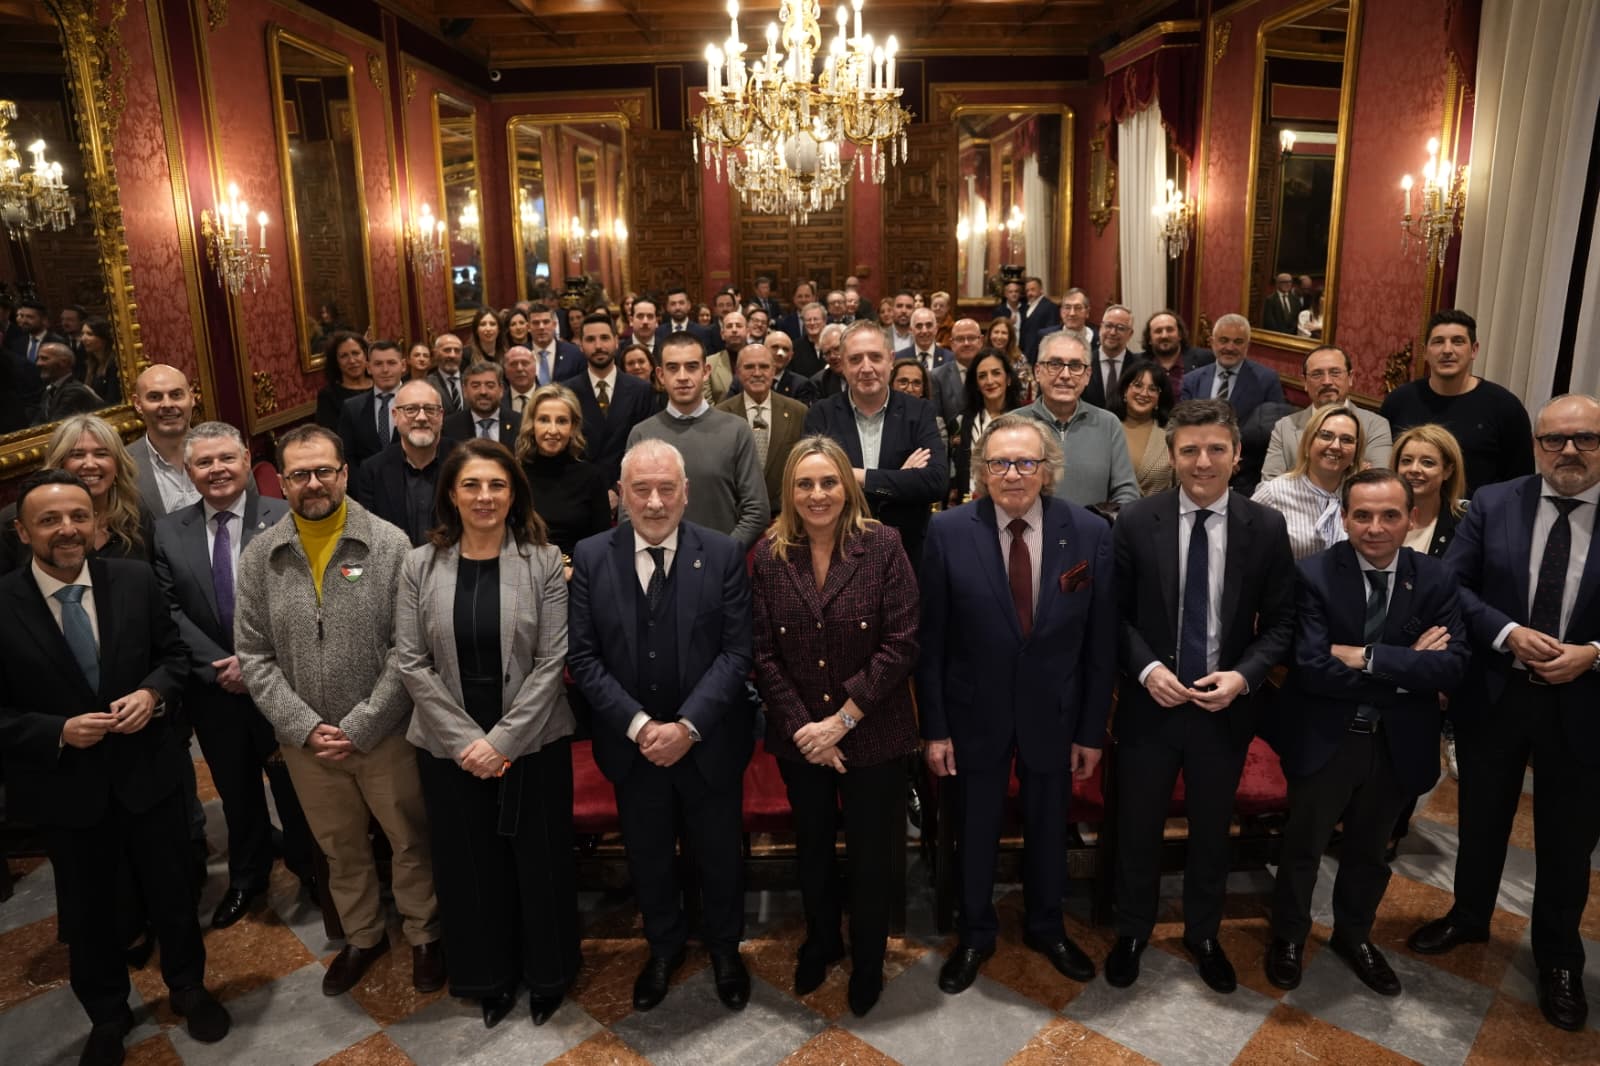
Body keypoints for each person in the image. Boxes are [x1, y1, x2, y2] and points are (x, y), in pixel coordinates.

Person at [0, 469, 232, 1064]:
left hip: (147, 775)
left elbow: (173, 657)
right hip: (66, 792)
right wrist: (56, 731)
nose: (67, 529)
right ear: (23, 532)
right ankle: (107, 1014)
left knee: (173, 893)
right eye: (49, 520)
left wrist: (154, 695)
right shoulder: (3, 607)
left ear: (98, 523)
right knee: (88, 910)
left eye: (79, 516)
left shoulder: (132, 581)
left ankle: (188, 987)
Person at [1406, 394, 1600, 1032]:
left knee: (1568, 839)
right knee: (1482, 817)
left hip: (1584, 701)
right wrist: (1508, 632)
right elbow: (1454, 587)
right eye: (1554, 440)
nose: (1568, 451)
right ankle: (1468, 916)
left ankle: (1559, 957)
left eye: (1585, 439)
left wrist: (1593, 654)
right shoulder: (1494, 502)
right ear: (1537, 444)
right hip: (1497, 692)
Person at [236, 424, 444, 999]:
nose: (313, 483)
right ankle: (363, 936)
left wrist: (361, 724)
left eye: (324, 470)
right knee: (340, 848)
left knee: (409, 839)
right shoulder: (261, 556)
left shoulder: (389, 543)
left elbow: (410, 648)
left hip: (386, 733)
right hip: (308, 745)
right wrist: (304, 727)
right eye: (299, 474)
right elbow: (253, 656)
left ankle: (425, 934)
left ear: (345, 473)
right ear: (281, 481)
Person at [919, 414, 1116, 994]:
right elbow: (929, 643)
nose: (1013, 474)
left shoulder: (1088, 533)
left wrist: (1090, 731)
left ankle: (1047, 927)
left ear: (1048, 470)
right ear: (981, 471)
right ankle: (975, 933)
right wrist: (934, 728)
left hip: (1055, 714)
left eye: (1026, 462)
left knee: (1050, 827)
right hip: (972, 714)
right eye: (1000, 463)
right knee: (974, 829)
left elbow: (1099, 645)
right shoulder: (949, 532)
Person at [1106, 399, 1296, 993]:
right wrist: (1144, 670)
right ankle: (1133, 929)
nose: (1203, 461)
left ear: (1238, 456)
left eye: (1216, 448)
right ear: (1172, 455)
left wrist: (1244, 676)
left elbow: (1285, 623)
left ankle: (1203, 933)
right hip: (1150, 706)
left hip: (1224, 707)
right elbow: (1112, 616)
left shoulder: (1263, 527)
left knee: (1213, 831)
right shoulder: (1138, 522)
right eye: (1189, 449)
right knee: (1137, 826)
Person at [566, 439, 755, 1014]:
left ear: (685, 492)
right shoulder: (593, 555)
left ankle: (725, 949)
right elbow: (583, 658)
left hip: (709, 743)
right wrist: (644, 726)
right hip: (633, 748)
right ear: (619, 494)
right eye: (640, 489)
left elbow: (737, 653)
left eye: (665, 488)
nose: (653, 502)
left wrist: (687, 727)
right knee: (648, 855)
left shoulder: (722, 553)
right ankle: (664, 949)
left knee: (720, 854)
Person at [396, 439, 579, 1029]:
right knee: (470, 867)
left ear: (514, 494)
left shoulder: (544, 561)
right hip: (449, 744)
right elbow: (411, 661)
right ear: (451, 493)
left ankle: (548, 975)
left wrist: (501, 742)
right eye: (471, 485)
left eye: (497, 485)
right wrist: (465, 743)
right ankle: (488, 977)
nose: (484, 496)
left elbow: (553, 662)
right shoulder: (419, 564)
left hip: (533, 739)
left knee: (541, 863)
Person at [1264, 469, 1468, 996]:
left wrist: (1366, 657)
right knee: (1303, 847)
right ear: (1344, 518)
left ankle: (1354, 936)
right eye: (1362, 515)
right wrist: (1405, 671)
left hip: (1398, 743)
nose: (1375, 528)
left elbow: (1451, 668)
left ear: (1412, 518)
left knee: (1371, 852)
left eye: (1390, 515)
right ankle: (1288, 935)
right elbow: (1310, 666)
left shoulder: (1438, 579)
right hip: (1327, 739)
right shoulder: (1312, 576)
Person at [750, 436, 919, 1017]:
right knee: (814, 849)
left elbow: (902, 644)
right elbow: (763, 654)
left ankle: (867, 961)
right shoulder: (769, 554)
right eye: (805, 484)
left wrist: (841, 721)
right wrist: (807, 730)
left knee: (873, 856)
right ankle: (822, 942)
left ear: (847, 487)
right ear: (789, 492)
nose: (817, 494)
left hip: (872, 733)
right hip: (803, 742)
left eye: (828, 482)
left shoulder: (884, 546)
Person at [151, 422, 312, 928]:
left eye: (226, 458)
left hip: (284, 682)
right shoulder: (167, 531)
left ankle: (314, 871)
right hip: (214, 688)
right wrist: (222, 665)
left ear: (246, 461)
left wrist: (255, 662)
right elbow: (168, 608)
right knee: (235, 790)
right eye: (204, 462)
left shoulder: (287, 517)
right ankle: (248, 876)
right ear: (188, 470)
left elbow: (305, 596)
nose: (217, 470)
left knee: (296, 786)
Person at [803, 320, 948, 568]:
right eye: (856, 359)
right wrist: (901, 479)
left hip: (908, 552)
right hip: (839, 550)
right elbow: (815, 487)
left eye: (875, 357)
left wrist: (855, 476)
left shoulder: (919, 411)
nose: (866, 368)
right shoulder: (821, 414)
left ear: (891, 360)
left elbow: (935, 482)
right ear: (843, 365)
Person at [627, 333, 769, 547]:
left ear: (705, 372)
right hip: (657, 567)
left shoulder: (737, 430)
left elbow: (757, 510)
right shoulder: (641, 434)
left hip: (721, 568)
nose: (683, 376)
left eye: (692, 367)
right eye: (673, 368)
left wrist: (722, 556)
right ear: (660, 375)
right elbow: (628, 511)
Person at [1378, 309, 1534, 497]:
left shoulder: (1505, 407)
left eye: (1458, 341)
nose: (1447, 350)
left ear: (1474, 350)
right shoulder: (1398, 401)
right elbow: (1384, 468)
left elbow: (1520, 484)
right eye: (1438, 342)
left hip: (1477, 521)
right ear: (1425, 352)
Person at [1015, 332, 1140, 509]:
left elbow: (1126, 491)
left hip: (1093, 534)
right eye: (1055, 364)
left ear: (1087, 375)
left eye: (1075, 366)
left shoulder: (1108, 424)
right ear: (1037, 372)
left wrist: (1102, 525)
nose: (1065, 375)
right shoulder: (1011, 426)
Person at [1260, 346, 1393, 481]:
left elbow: (1377, 484)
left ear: (1350, 378)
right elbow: (1268, 485)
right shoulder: (1284, 427)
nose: (1327, 381)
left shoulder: (1376, 426)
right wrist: (1352, 474)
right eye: (1317, 374)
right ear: (1304, 382)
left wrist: (1294, 477)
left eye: (1335, 373)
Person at [1252, 405, 1366, 559]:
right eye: (1326, 436)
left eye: (1347, 440)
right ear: (1308, 443)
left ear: (1356, 452)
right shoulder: (1274, 493)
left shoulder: (1362, 497)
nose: (1335, 446)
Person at [560, 312, 655, 493]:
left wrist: (618, 490)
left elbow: (646, 446)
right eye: (590, 339)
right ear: (581, 345)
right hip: (581, 492)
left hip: (630, 491)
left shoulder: (641, 390)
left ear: (616, 341)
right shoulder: (567, 392)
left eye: (604, 338)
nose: (598, 346)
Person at [515, 383, 611, 558]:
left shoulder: (592, 478)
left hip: (577, 574)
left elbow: (601, 543)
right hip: (523, 572)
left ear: (573, 426)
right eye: (544, 420)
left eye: (562, 421)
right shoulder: (514, 475)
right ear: (532, 424)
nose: (553, 430)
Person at [354, 380, 453, 547]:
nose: (421, 417)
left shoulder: (465, 462)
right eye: (411, 409)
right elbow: (369, 535)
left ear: (441, 416)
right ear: (395, 416)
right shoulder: (373, 470)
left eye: (430, 409)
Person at [716, 343, 807, 513]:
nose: (757, 373)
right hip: (737, 515)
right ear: (738, 372)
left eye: (764, 367)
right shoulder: (720, 414)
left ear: (774, 371)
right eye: (749, 367)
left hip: (786, 516)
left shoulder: (798, 412)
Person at [947, 347, 1024, 506]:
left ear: (1008, 379)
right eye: (982, 376)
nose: (989, 381)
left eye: (996, 373)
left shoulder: (1024, 419)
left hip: (1013, 501)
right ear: (976, 384)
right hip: (971, 504)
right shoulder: (963, 421)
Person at [1179, 314, 1286, 426]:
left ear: (1248, 346)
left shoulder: (1267, 380)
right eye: (1224, 340)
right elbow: (1184, 424)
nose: (1230, 348)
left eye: (1238, 342)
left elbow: (1274, 427)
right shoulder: (1192, 380)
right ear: (1212, 343)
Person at [130, 364, 200, 516]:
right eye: (154, 397)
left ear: (192, 398)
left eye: (176, 395)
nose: (167, 404)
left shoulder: (228, 451)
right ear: (138, 404)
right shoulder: (123, 465)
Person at [1393, 423, 1468, 558]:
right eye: (1406, 461)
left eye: (1427, 462)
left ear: (1447, 471)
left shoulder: (1464, 525)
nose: (1414, 469)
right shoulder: (1376, 517)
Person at [336, 339, 405, 470]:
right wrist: (362, 489)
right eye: (378, 364)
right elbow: (346, 457)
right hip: (366, 486)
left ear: (403, 365)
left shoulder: (421, 401)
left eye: (391, 363)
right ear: (368, 368)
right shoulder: (352, 408)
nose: (385, 370)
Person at [1110, 360, 1175, 497]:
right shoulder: (1106, 428)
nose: (1144, 393)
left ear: (1159, 397)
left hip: (1156, 515)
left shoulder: (1171, 435)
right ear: (1125, 390)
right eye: (1138, 385)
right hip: (1109, 514)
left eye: (1153, 389)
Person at [1138, 310, 1214, 400]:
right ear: (1149, 339)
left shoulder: (1205, 359)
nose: (1164, 335)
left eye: (1170, 330)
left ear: (1180, 335)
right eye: (1158, 331)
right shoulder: (1137, 363)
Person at [443, 361, 521, 446]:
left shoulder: (520, 423)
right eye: (475, 386)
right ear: (464, 391)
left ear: (501, 390)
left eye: (490, 385)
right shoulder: (449, 427)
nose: (483, 392)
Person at [32, 341, 101, 423]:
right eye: (38, 358)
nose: (38, 363)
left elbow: (54, 427)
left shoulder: (75, 392)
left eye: (44, 358)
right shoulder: (48, 392)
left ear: (64, 362)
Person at [315, 331, 373, 429]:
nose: (352, 361)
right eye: (344, 356)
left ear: (365, 355)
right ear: (336, 361)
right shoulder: (328, 395)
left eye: (356, 353)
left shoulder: (381, 384)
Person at [1080, 304, 1134, 409]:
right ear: (1100, 328)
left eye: (1120, 328)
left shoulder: (1139, 367)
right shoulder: (1082, 363)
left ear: (1130, 334)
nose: (1113, 332)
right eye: (1108, 326)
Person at [526, 303, 584, 385]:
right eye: (536, 323)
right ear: (528, 327)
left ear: (554, 325)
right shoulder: (521, 354)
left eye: (546, 322)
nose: (541, 327)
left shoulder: (573, 354)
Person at [986, 315, 1035, 404]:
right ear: (990, 335)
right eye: (996, 332)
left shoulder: (1019, 359)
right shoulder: (982, 357)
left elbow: (1024, 390)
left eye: (1004, 333)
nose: (999, 337)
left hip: (1013, 406)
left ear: (1010, 337)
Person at [78, 317, 121, 405]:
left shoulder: (114, 364)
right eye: (82, 334)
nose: (83, 339)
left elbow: (112, 401)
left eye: (90, 334)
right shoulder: (91, 364)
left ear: (103, 338)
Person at [427, 332, 467, 415]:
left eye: (457, 350)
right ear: (435, 353)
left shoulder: (471, 381)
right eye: (447, 350)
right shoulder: (427, 385)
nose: (452, 355)